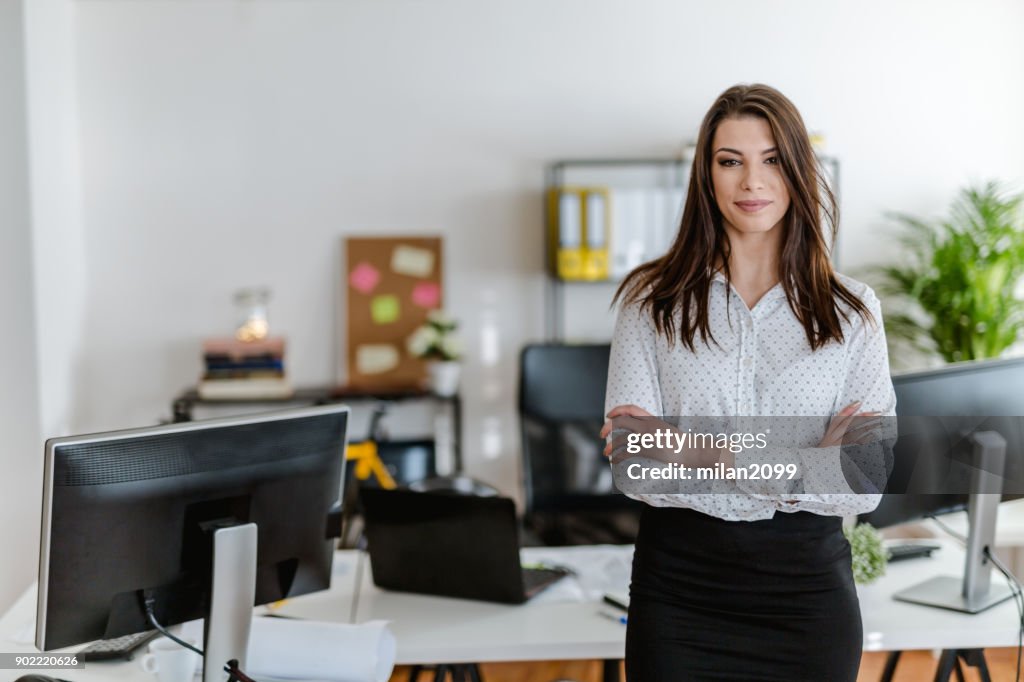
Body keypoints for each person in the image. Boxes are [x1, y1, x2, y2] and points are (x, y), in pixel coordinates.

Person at [598, 84, 896, 681]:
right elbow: (635, 466)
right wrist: (807, 460)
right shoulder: (650, 303)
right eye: (730, 161)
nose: (751, 182)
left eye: (772, 160)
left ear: (798, 170)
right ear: (706, 177)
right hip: (678, 593)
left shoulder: (853, 312)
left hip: (807, 598)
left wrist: (688, 446)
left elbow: (865, 483)